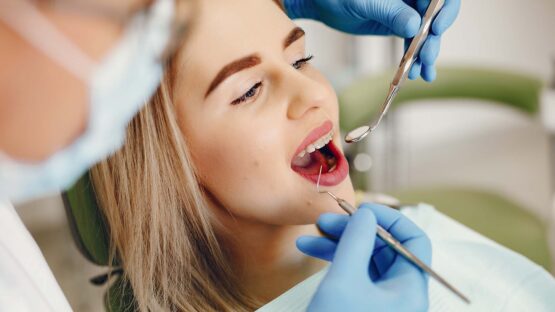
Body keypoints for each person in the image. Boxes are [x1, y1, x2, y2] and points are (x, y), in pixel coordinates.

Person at [0, 0, 460, 310]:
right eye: (249, 90)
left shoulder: (421, 237)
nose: (311, 93)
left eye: (301, 59)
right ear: (171, 163)